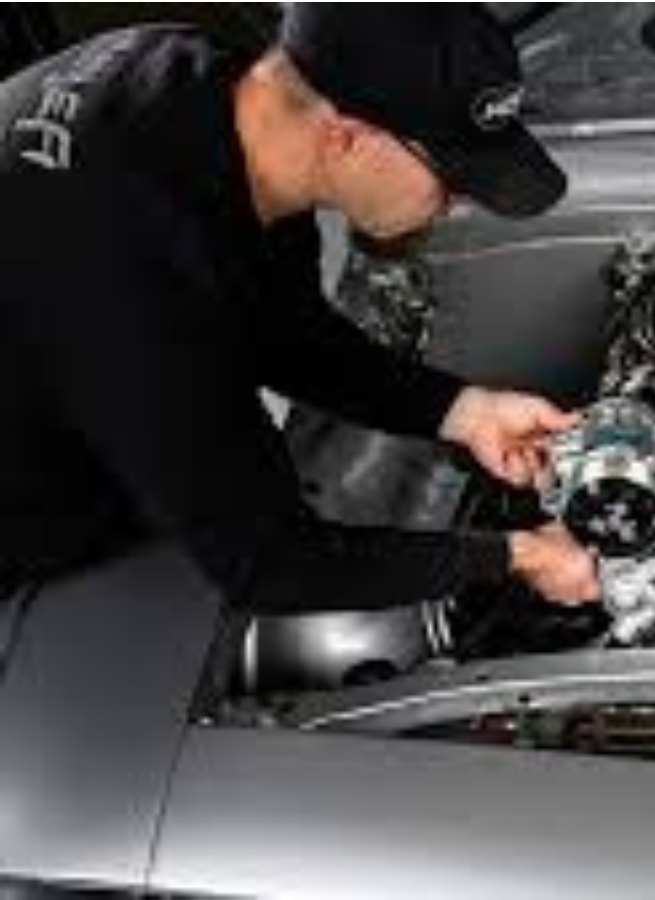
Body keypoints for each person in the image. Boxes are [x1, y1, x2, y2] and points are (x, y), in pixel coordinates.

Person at [0, 3, 599, 614]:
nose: (457, 205)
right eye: (450, 178)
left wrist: (464, 412)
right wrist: (519, 555)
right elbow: (270, 566)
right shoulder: (131, 273)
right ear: (347, 135)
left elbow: (281, 330)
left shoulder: (211, 98)